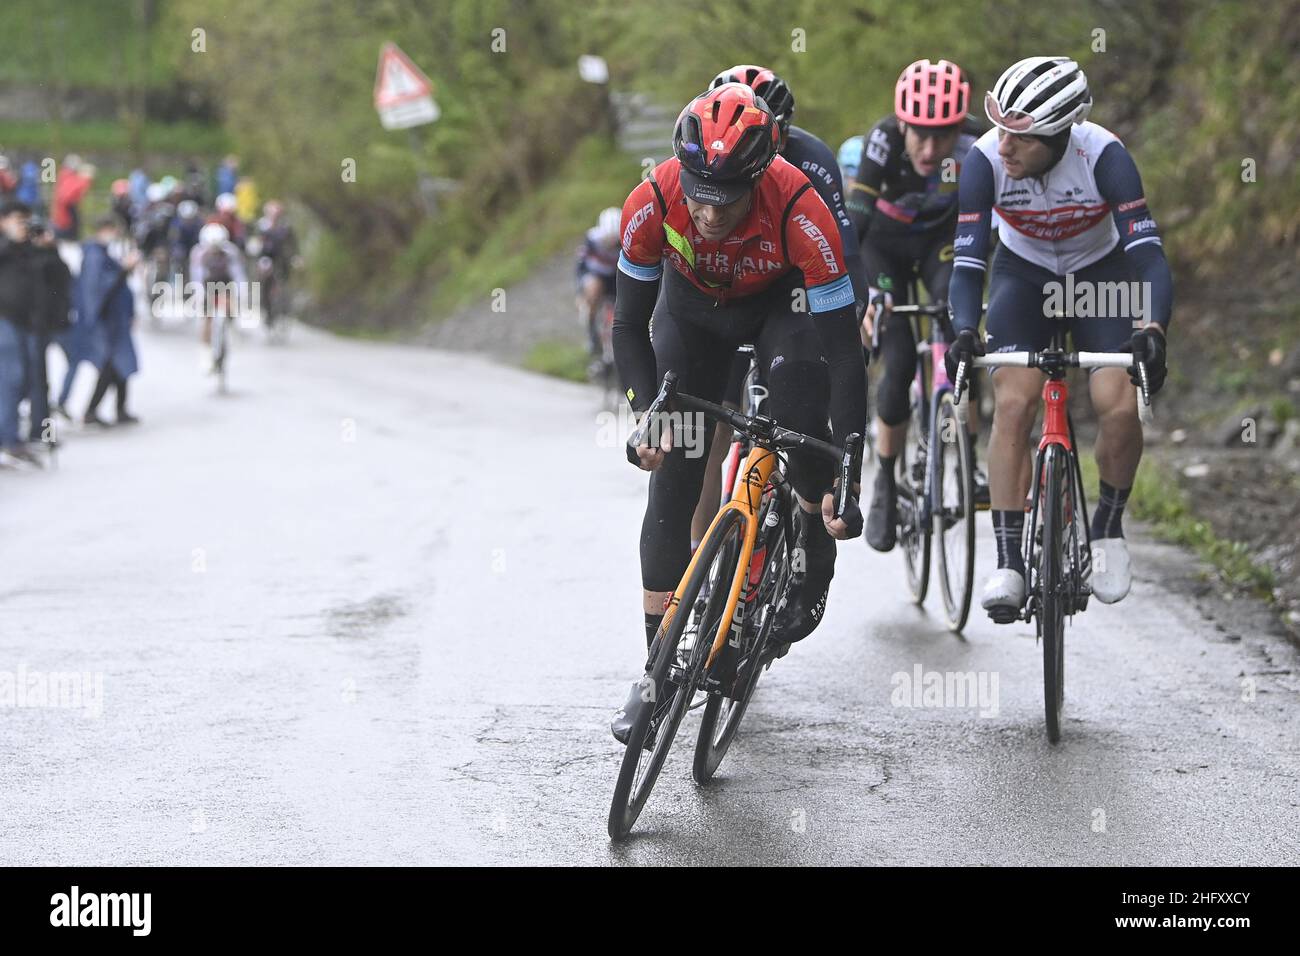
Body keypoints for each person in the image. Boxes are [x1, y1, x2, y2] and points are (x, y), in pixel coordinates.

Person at [609, 84, 865, 743]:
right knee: (674, 473)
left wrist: (851, 459)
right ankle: (655, 669)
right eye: (697, 191)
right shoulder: (653, 199)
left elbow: (843, 349)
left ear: (759, 175)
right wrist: (647, 415)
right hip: (691, 314)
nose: (708, 210)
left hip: (783, 311)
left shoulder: (801, 208)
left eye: (725, 198)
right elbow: (629, 325)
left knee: (802, 415)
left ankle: (808, 534)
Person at [945, 56, 1173, 616]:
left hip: (1099, 275)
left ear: (1058, 136)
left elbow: (1147, 256)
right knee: (1014, 405)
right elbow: (970, 262)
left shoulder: (1105, 157)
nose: (1004, 147)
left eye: (1020, 138)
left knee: (1117, 405)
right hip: (1022, 276)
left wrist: (1152, 329)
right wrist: (965, 330)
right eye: (1001, 130)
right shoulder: (982, 163)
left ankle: (1108, 528)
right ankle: (1008, 561)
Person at [688, 64, 868, 549]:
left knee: (796, 401)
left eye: (776, 135)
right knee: (712, 432)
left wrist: (845, 329)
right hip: (729, 290)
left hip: (794, 285)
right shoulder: (702, 177)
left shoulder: (810, 160)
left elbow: (844, 257)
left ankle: (806, 523)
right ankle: (699, 569)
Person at [846, 59, 988, 552]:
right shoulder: (882, 141)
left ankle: (969, 454)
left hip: (939, 245)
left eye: (943, 136)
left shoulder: (978, 142)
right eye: (921, 135)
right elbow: (856, 219)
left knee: (962, 329)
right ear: (902, 124)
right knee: (900, 358)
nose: (931, 150)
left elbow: (1000, 217)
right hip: (882, 247)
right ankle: (885, 480)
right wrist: (856, 293)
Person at [78, 216, 141, 426]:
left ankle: (118, 409)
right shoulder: (95, 256)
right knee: (111, 367)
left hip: (115, 320)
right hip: (106, 322)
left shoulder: (101, 254)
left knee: (119, 367)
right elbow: (99, 290)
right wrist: (124, 269)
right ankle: (93, 411)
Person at [0, 200, 42, 468]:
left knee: (26, 380)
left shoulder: (25, 248)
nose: (22, 226)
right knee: (11, 379)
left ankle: (12, 437)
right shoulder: (6, 245)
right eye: (18, 220)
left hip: (26, 322)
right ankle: (9, 440)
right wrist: (12, 241)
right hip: (4, 319)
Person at [24, 215, 72, 450]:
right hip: (30, 326)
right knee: (30, 382)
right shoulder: (26, 258)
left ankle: (43, 432)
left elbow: (64, 278)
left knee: (40, 383)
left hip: (46, 326)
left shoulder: (50, 256)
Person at [189, 221, 247, 368]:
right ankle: (205, 352)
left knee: (230, 305)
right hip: (207, 286)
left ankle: (231, 327)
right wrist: (198, 294)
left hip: (225, 286)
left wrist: (242, 291)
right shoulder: (198, 253)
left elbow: (238, 273)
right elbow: (196, 275)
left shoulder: (231, 252)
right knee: (207, 318)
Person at [575, 206, 621, 372]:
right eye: (608, 239)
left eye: (615, 239)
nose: (611, 243)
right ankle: (592, 333)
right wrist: (580, 293)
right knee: (594, 288)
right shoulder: (592, 239)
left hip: (615, 277)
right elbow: (580, 268)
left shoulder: (626, 240)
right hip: (596, 275)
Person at [51, 156, 95, 242]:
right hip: (66, 218)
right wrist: (86, 180)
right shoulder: (69, 177)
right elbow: (67, 197)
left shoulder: (65, 176)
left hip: (63, 217)